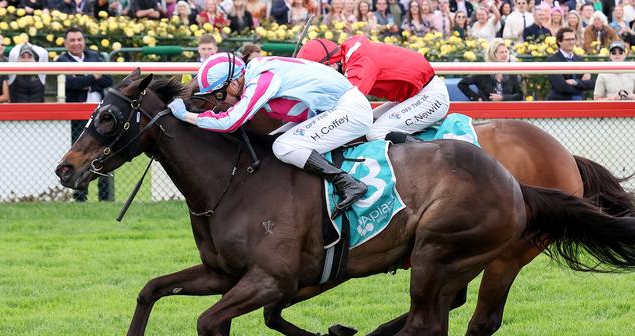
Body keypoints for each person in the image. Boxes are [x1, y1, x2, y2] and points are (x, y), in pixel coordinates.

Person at [167, 53, 373, 217]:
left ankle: (348, 184)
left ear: (233, 83)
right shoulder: (257, 71)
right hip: (335, 109)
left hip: (349, 110)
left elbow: (230, 121)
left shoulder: (261, 80)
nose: (220, 102)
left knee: (284, 146)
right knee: (275, 140)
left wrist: (187, 116)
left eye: (219, 95)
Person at [297, 36, 450, 143]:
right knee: (366, 126)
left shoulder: (359, 66)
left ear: (331, 65)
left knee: (375, 133)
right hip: (416, 95)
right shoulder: (347, 53)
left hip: (430, 96)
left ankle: (433, 158)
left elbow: (346, 105)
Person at [56, 27, 114, 202]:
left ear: (84, 41)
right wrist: (93, 77)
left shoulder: (94, 57)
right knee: (79, 156)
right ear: (66, 43)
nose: (76, 43)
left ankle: (105, 196)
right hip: (76, 117)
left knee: (104, 154)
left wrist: (85, 80)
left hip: (99, 117)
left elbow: (108, 80)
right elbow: (70, 84)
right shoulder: (61, 61)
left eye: (79, 39)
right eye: (72, 40)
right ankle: (80, 195)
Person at [458, 38, 523, 101]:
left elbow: (520, 95)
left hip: (508, 110)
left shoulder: (512, 72)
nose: (505, 55)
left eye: (506, 52)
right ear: (493, 54)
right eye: (502, 52)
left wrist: (502, 98)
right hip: (485, 110)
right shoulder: (483, 72)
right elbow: (462, 84)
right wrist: (477, 98)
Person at [546, 27, 595, 100]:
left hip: (580, 102)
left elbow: (591, 84)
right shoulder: (552, 60)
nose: (571, 42)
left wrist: (575, 82)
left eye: (573, 39)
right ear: (559, 41)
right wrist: (582, 86)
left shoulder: (579, 59)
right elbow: (562, 87)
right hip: (560, 103)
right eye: (568, 40)